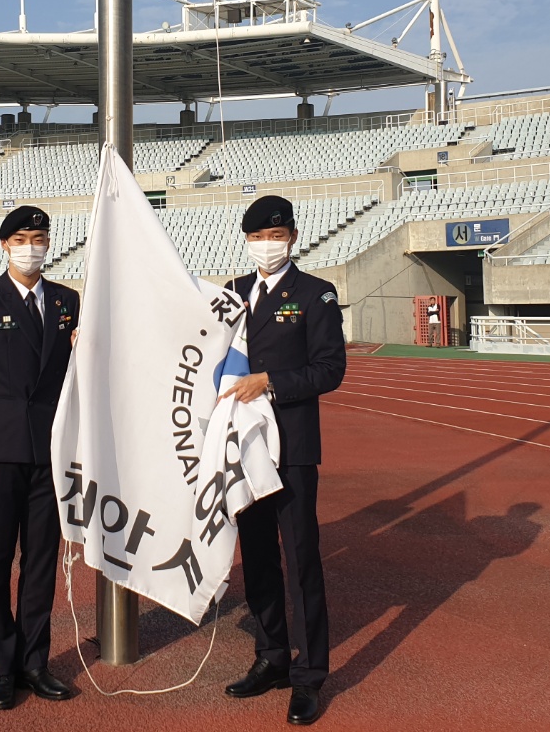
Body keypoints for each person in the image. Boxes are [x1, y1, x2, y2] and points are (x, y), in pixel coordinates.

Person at [220, 194, 346, 727]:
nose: (264, 246)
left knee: (301, 560)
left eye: (273, 236)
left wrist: (269, 382)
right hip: (245, 449)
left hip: (291, 448)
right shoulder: (232, 294)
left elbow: (329, 370)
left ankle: (309, 673)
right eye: (256, 238)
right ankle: (271, 656)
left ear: (291, 237)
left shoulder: (316, 295)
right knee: (258, 558)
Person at [0, 205, 79, 711]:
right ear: (5, 245)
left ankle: (34, 662)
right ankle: (2, 667)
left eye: (39, 237)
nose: (32, 246)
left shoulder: (67, 301)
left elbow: (74, 373)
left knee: (42, 560)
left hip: (50, 449)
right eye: (22, 237)